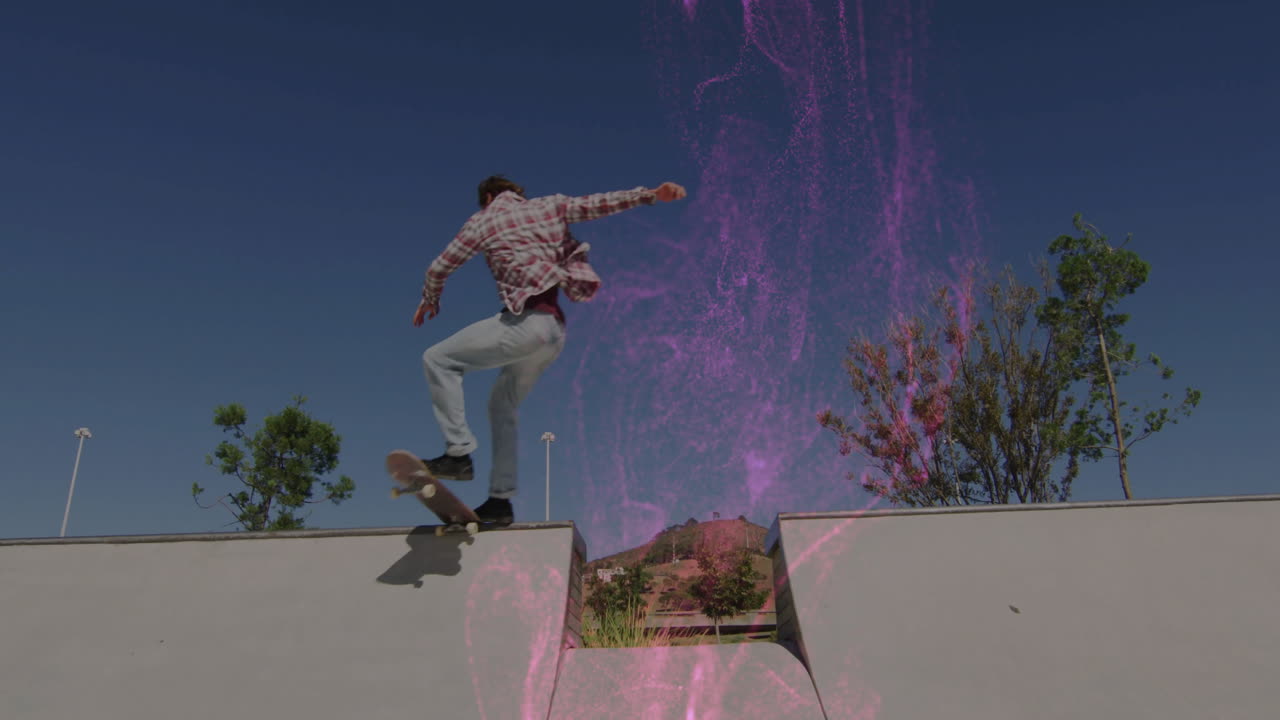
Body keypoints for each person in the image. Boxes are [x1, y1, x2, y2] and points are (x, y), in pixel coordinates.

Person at [413, 175, 688, 523]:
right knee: (503, 404)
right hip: (553, 333)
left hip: (524, 326)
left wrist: (430, 298)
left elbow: (439, 267)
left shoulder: (484, 219)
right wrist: (650, 195)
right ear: (516, 194)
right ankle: (500, 501)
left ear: (488, 197)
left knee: (437, 359)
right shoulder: (549, 205)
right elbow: (596, 204)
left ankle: (457, 453)